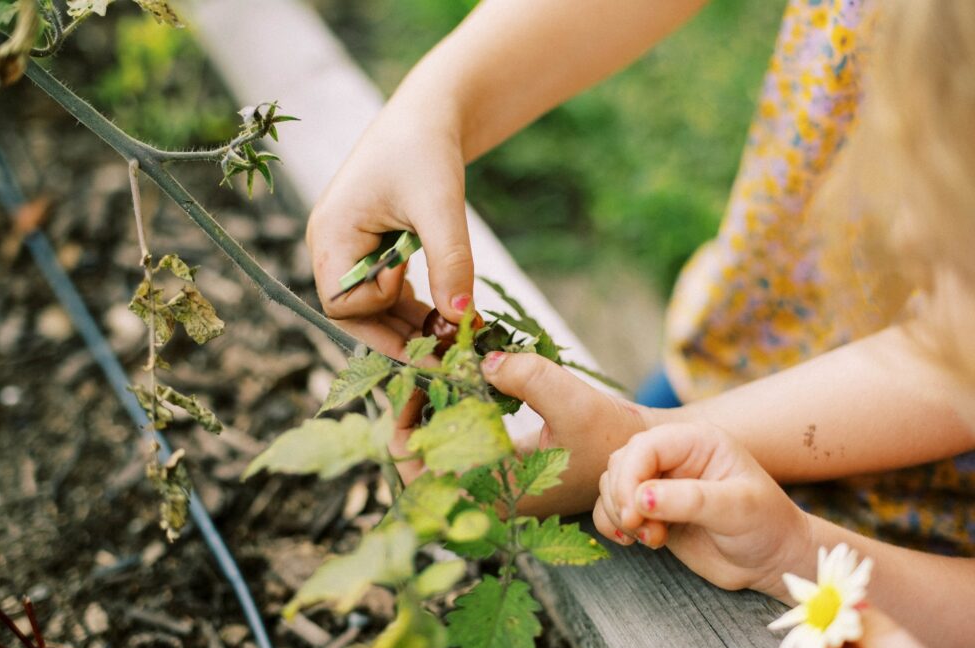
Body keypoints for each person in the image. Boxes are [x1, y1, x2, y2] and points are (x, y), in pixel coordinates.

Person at [306, 0, 975, 555]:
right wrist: (433, 111)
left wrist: (642, 439)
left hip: (915, 529)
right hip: (736, 349)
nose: (905, 232)